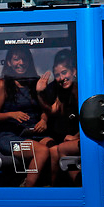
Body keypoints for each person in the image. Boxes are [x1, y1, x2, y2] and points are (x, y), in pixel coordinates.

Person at [0, 48, 54, 187]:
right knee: (41, 151)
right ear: (9, 63)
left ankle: (52, 187)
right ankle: (26, 189)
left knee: (52, 147)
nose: (21, 63)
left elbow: (44, 109)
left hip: (33, 134)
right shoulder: (3, 85)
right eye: (17, 59)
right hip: (10, 136)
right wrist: (12, 114)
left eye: (24, 59)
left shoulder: (35, 82)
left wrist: (43, 120)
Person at [37, 49, 80, 185]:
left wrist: (77, 136)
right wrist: (40, 94)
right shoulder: (55, 88)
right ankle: (54, 188)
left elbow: (90, 119)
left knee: (57, 150)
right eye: (57, 75)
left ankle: (69, 187)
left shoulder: (83, 89)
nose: (62, 78)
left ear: (74, 71)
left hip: (80, 136)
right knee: (50, 147)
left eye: (64, 72)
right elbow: (52, 111)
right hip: (61, 135)